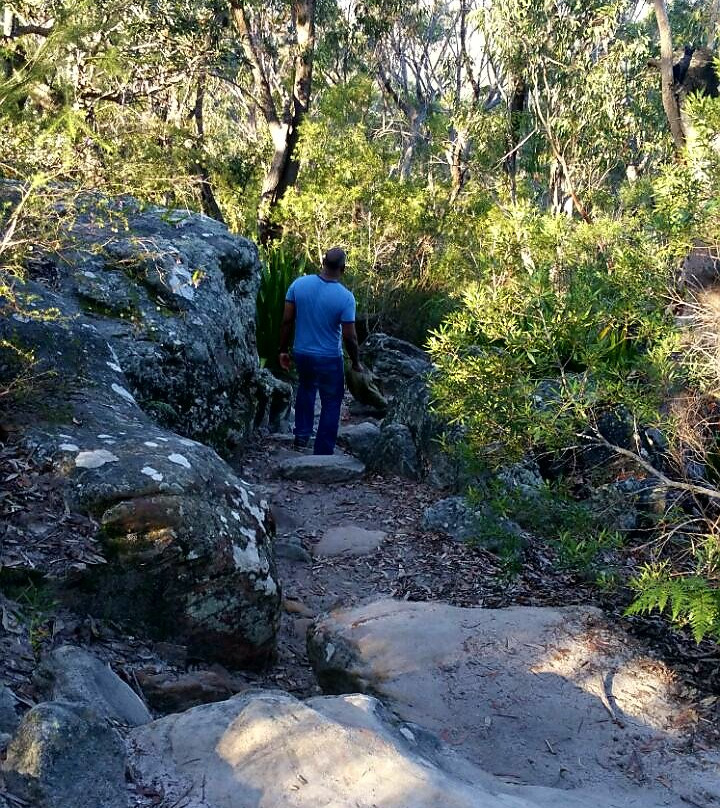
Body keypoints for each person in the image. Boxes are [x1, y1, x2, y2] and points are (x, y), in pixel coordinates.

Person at [278, 247, 362, 454]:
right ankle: (323, 450)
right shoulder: (345, 297)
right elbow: (349, 336)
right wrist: (356, 361)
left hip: (302, 352)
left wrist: (282, 350)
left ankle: (301, 438)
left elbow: (287, 320)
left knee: (306, 390)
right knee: (332, 401)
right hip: (329, 357)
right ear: (343, 268)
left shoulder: (299, 285)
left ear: (323, 262)